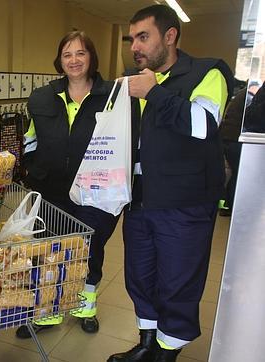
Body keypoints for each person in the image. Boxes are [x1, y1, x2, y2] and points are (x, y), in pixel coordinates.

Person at [107, 5, 233, 362]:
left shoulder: (207, 73)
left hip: (185, 202)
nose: (135, 46)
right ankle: (147, 343)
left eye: (143, 37)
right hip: (140, 198)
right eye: (132, 39)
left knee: (178, 281)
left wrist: (154, 93)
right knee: (139, 275)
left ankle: (167, 351)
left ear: (170, 36)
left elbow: (204, 126)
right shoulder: (133, 83)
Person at [17, 31, 119, 339]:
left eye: (80, 53)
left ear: (91, 58)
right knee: (49, 248)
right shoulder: (41, 98)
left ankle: (85, 307)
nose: (74, 60)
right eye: (67, 55)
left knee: (89, 248)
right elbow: (31, 139)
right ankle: (48, 313)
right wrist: (35, 171)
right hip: (52, 188)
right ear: (59, 61)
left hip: (94, 190)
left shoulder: (113, 96)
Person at [218, 88, 247, 216]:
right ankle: (232, 207)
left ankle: (228, 206)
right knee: (239, 175)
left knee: (236, 174)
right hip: (236, 139)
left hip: (229, 137)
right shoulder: (254, 92)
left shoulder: (246, 92)